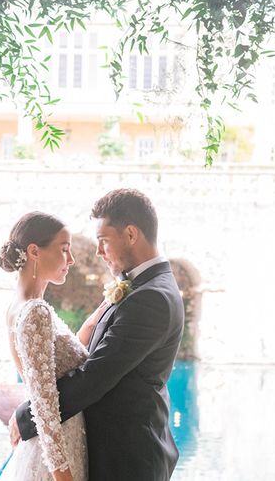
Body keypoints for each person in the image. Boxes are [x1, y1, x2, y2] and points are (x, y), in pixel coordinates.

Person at [10, 189, 185, 481]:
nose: (97, 252)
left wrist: (25, 417)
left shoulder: (151, 297)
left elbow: (95, 377)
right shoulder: (143, 287)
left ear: (131, 234)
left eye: (103, 241)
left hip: (128, 459)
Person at [0, 211, 107, 481]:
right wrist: (62, 474)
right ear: (35, 251)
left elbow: (56, 363)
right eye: (64, 250)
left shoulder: (19, 306)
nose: (71, 260)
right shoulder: (36, 312)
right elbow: (45, 402)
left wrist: (101, 313)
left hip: (52, 444)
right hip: (58, 453)